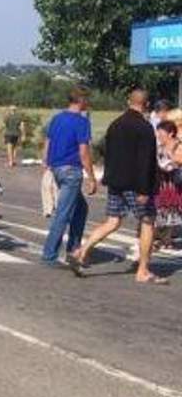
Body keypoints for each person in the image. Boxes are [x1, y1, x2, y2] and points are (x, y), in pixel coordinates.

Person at [69, 89, 166, 284]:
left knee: (112, 221)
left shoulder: (115, 124)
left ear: (129, 102)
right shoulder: (144, 127)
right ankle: (143, 270)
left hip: (115, 181)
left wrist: (108, 177)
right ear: (147, 105)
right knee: (148, 222)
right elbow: (146, 161)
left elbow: (107, 153)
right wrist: (145, 190)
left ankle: (81, 252)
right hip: (136, 184)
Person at [40, 86, 97, 267]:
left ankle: (74, 249)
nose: (88, 102)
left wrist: (46, 161)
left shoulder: (57, 118)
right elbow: (84, 152)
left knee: (80, 209)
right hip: (71, 170)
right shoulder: (81, 122)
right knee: (63, 213)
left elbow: (48, 141)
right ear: (81, 100)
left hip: (57, 168)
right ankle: (50, 254)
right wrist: (91, 177)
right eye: (86, 99)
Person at [151, 120, 182, 251]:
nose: (159, 136)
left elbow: (179, 160)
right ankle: (162, 239)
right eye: (158, 133)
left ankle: (166, 239)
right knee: (162, 209)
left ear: (170, 133)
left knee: (173, 210)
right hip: (163, 183)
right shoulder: (160, 147)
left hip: (175, 183)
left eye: (161, 133)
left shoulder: (178, 145)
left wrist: (171, 157)